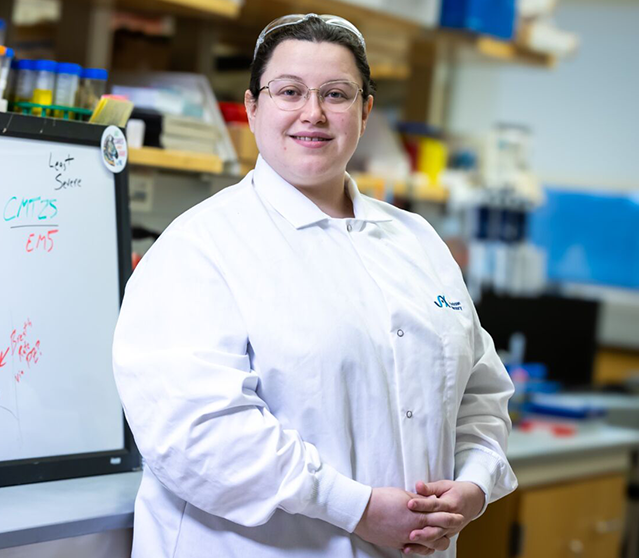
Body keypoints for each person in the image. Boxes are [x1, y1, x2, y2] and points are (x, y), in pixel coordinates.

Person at [111, 13, 517, 558]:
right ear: (253, 107)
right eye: (289, 92)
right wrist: (357, 508)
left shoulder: (417, 242)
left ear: (366, 110)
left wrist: (474, 483)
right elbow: (197, 434)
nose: (314, 113)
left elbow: (480, 393)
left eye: (336, 94)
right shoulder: (199, 248)